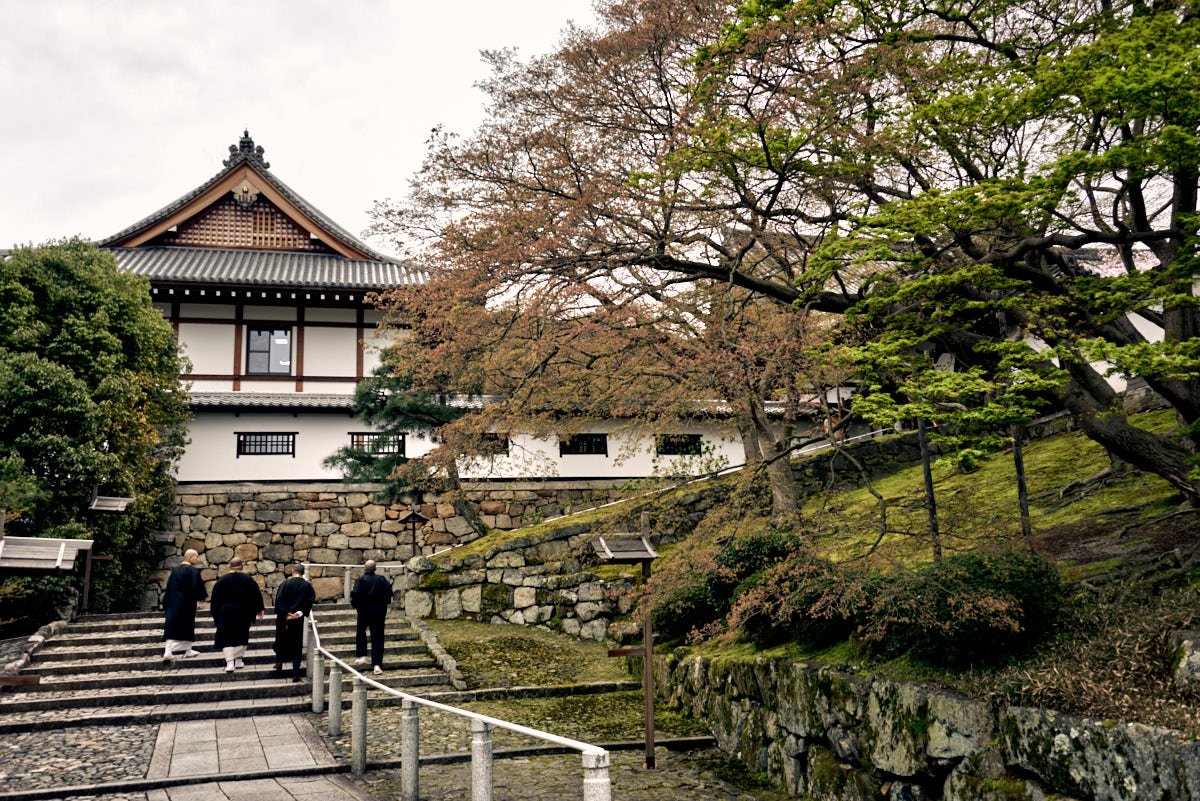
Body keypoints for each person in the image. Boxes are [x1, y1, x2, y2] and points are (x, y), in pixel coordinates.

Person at [210, 557, 264, 673]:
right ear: (242, 566)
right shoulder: (248, 579)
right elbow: (256, 595)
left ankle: (230, 663)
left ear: (230, 566)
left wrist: (216, 614)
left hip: (226, 612)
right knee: (242, 635)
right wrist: (260, 609)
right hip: (244, 612)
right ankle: (239, 660)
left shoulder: (222, 580)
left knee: (227, 638)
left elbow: (215, 599)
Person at [273, 563, 316, 683]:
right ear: (303, 573)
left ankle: (279, 662)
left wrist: (287, 613)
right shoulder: (307, 586)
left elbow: (279, 600)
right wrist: (299, 613)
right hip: (297, 619)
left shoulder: (285, 583)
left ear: (293, 571)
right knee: (296, 644)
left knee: (280, 639)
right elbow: (309, 601)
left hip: (284, 618)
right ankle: (295, 673)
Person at [162, 549, 206, 663]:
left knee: (173, 626)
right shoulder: (193, 571)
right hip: (187, 603)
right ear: (190, 557)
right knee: (186, 626)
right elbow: (196, 588)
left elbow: (169, 588)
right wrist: (197, 600)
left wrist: (167, 603)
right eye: (196, 557)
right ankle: (168, 651)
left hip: (174, 603)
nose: (197, 559)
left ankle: (188, 650)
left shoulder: (175, 571)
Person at [350, 560, 393, 675]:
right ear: (375, 569)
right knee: (378, 637)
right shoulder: (381, 579)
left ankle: (361, 656)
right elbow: (389, 593)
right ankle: (377, 664)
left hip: (363, 611)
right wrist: (383, 604)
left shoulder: (361, 580)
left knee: (361, 632)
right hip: (378, 612)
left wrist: (356, 605)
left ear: (365, 568)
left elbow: (355, 594)